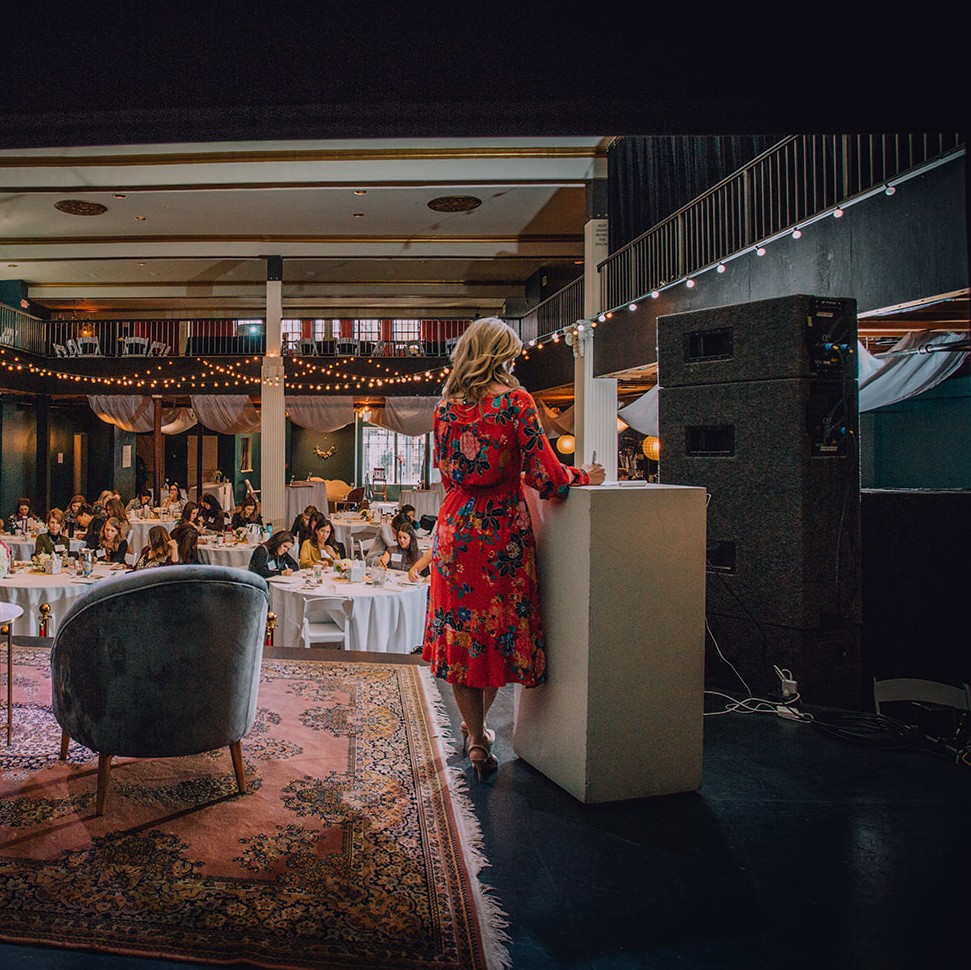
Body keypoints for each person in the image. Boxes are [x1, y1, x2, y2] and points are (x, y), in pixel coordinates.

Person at [420, 317, 604, 780]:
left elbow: (446, 473)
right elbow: (547, 476)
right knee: (496, 631)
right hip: (501, 529)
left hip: (456, 528)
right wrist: (584, 475)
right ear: (500, 354)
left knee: (464, 637)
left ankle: (476, 737)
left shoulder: (445, 409)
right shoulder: (516, 402)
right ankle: (478, 736)